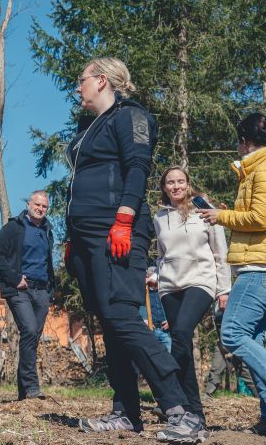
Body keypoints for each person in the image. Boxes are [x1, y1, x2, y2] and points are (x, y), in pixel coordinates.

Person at [65, 57, 202, 442]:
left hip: (117, 229)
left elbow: (138, 167)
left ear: (102, 81)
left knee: (122, 316)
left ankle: (181, 409)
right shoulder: (88, 125)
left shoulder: (130, 116)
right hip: (85, 236)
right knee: (109, 323)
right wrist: (70, 239)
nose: (79, 88)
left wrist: (124, 218)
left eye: (83, 80)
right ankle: (125, 411)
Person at [196, 112, 266, 436]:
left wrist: (221, 216)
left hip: (258, 269)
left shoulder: (262, 168)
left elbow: (260, 217)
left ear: (245, 141)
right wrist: (227, 213)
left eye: (238, 141)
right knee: (255, 341)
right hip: (255, 266)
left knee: (233, 333)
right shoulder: (253, 171)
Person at [151, 166, 231, 430]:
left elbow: (220, 251)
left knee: (182, 333)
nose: (176, 187)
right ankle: (190, 412)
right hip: (170, 287)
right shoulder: (160, 217)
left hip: (201, 281)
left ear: (188, 184)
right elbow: (162, 255)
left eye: (180, 182)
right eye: (170, 183)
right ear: (164, 187)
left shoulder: (202, 207)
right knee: (180, 341)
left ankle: (181, 404)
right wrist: (157, 276)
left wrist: (224, 290)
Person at [0, 190, 55, 401]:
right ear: (29, 204)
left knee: (32, 338)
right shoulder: (13, 228)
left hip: (42, 291)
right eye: (37, 204)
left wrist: (50, 290)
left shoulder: (48, 230)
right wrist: (15, 277)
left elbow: (48, 262)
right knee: (28, 330)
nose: (40, 209)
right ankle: (32, 387)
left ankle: (24, 392)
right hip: (20, 289)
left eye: (44, 206)